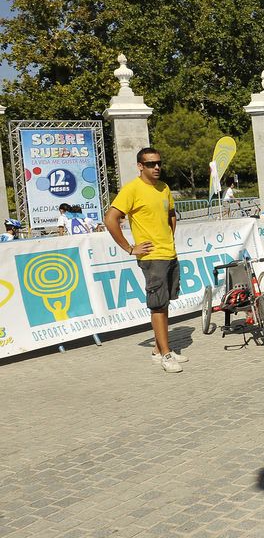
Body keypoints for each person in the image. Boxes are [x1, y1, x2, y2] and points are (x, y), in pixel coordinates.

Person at [102, 147, 189, 373]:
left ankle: (158, 349)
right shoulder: (132, 189)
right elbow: (110, 219)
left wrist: (169, 236)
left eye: (159, 163)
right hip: (151, 257)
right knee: (158, 306)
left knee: (165, 302)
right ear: (140, 166)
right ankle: (166, 354)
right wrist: (130, 248)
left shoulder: (164, 188)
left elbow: (171, 212)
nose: (156, 167)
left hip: (169, 252)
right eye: (150, 164)